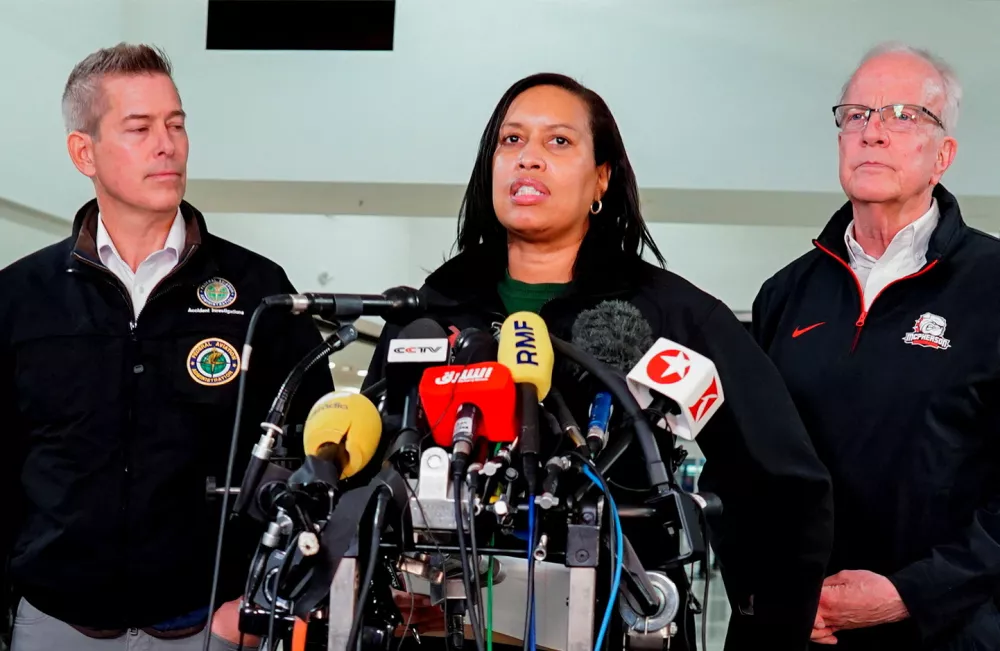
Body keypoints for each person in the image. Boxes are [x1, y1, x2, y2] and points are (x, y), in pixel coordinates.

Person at [365, 72, 834, 650]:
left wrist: (768, 629)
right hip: (443, 629)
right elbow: (367, 470)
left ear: (601, 179)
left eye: (558, 142)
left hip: (616, 624)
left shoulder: (671, 314)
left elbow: (781, 486)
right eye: (511, 141)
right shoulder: (434, 310)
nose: (528, 159)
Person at [0, 43, 332, 651]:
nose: (167, 144)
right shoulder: (21, 296)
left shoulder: (259, 293)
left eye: (176, 125)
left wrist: (260, 605)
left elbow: (323, 461)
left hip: (211, 627)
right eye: (139, 127)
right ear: (84, 152)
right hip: (51, 624)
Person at [752, 43, 1000, 650]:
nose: (873, 133)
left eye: (902, 115)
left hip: (949, 632)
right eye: (856, 114)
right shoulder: (784, 295)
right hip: (802, 630)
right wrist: (774, 591)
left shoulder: (992, 285)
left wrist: (908, 594)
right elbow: (746, 469)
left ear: (943, 155)